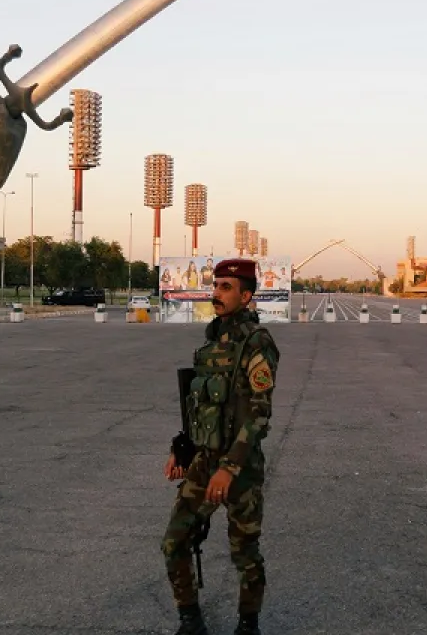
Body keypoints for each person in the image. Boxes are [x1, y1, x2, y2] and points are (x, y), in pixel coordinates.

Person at [162, 258, 280, 635]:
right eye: (216, 286)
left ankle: (249, 625)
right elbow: (200, 406)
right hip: (203, 460)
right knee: (174, 541)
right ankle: (190, 620)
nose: (216, 294)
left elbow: (259, 415)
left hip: (240, 467)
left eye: (226, 288)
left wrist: (230, 468)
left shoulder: (257, 343)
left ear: (246, 296)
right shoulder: (213, 342)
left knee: (244, 553)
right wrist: (182, 448)